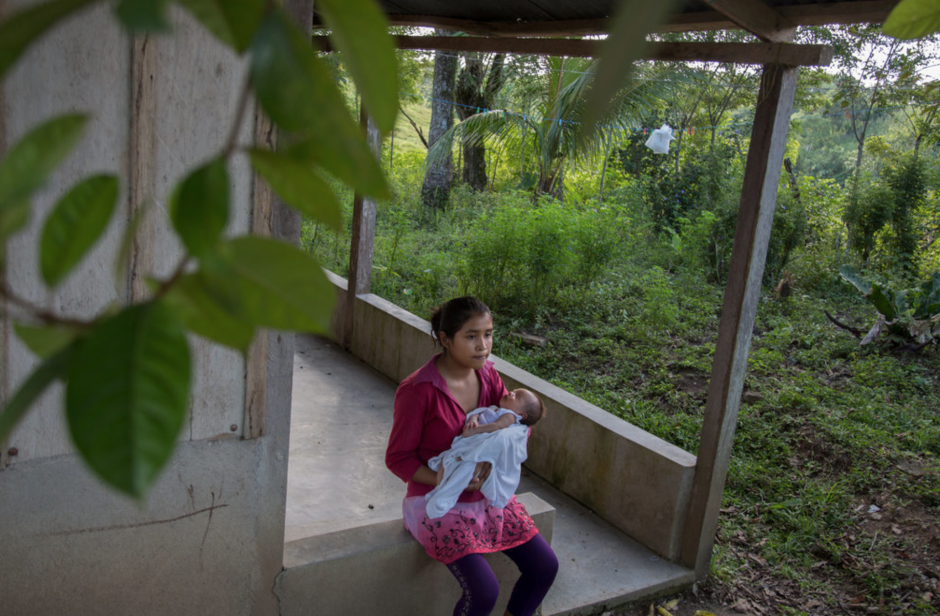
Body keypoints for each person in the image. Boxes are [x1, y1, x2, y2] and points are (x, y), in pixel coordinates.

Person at [385, 297, 559, 616]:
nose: (483, 346)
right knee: (483, 592)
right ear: (445, 339)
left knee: (545, 567)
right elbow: (398, 458)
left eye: (489, 334)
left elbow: (518, 426)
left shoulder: (489, 376)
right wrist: (441, 477)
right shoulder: (418, 390)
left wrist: (490, 464)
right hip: (438, 502)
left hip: (487, 497)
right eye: (471, 336)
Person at [425, 389, 545, 519]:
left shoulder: (509, 416)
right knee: (445, 462)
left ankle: (445, 498)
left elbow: (498, 426)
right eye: (513, 391)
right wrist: (473, 418)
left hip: (477, 450)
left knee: (462, 473)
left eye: (517, 396)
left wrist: (476, 430)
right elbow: (476, 414)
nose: (511, 393)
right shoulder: (494, 409)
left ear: (521, 415)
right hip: (467, 445)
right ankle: (439, 489)